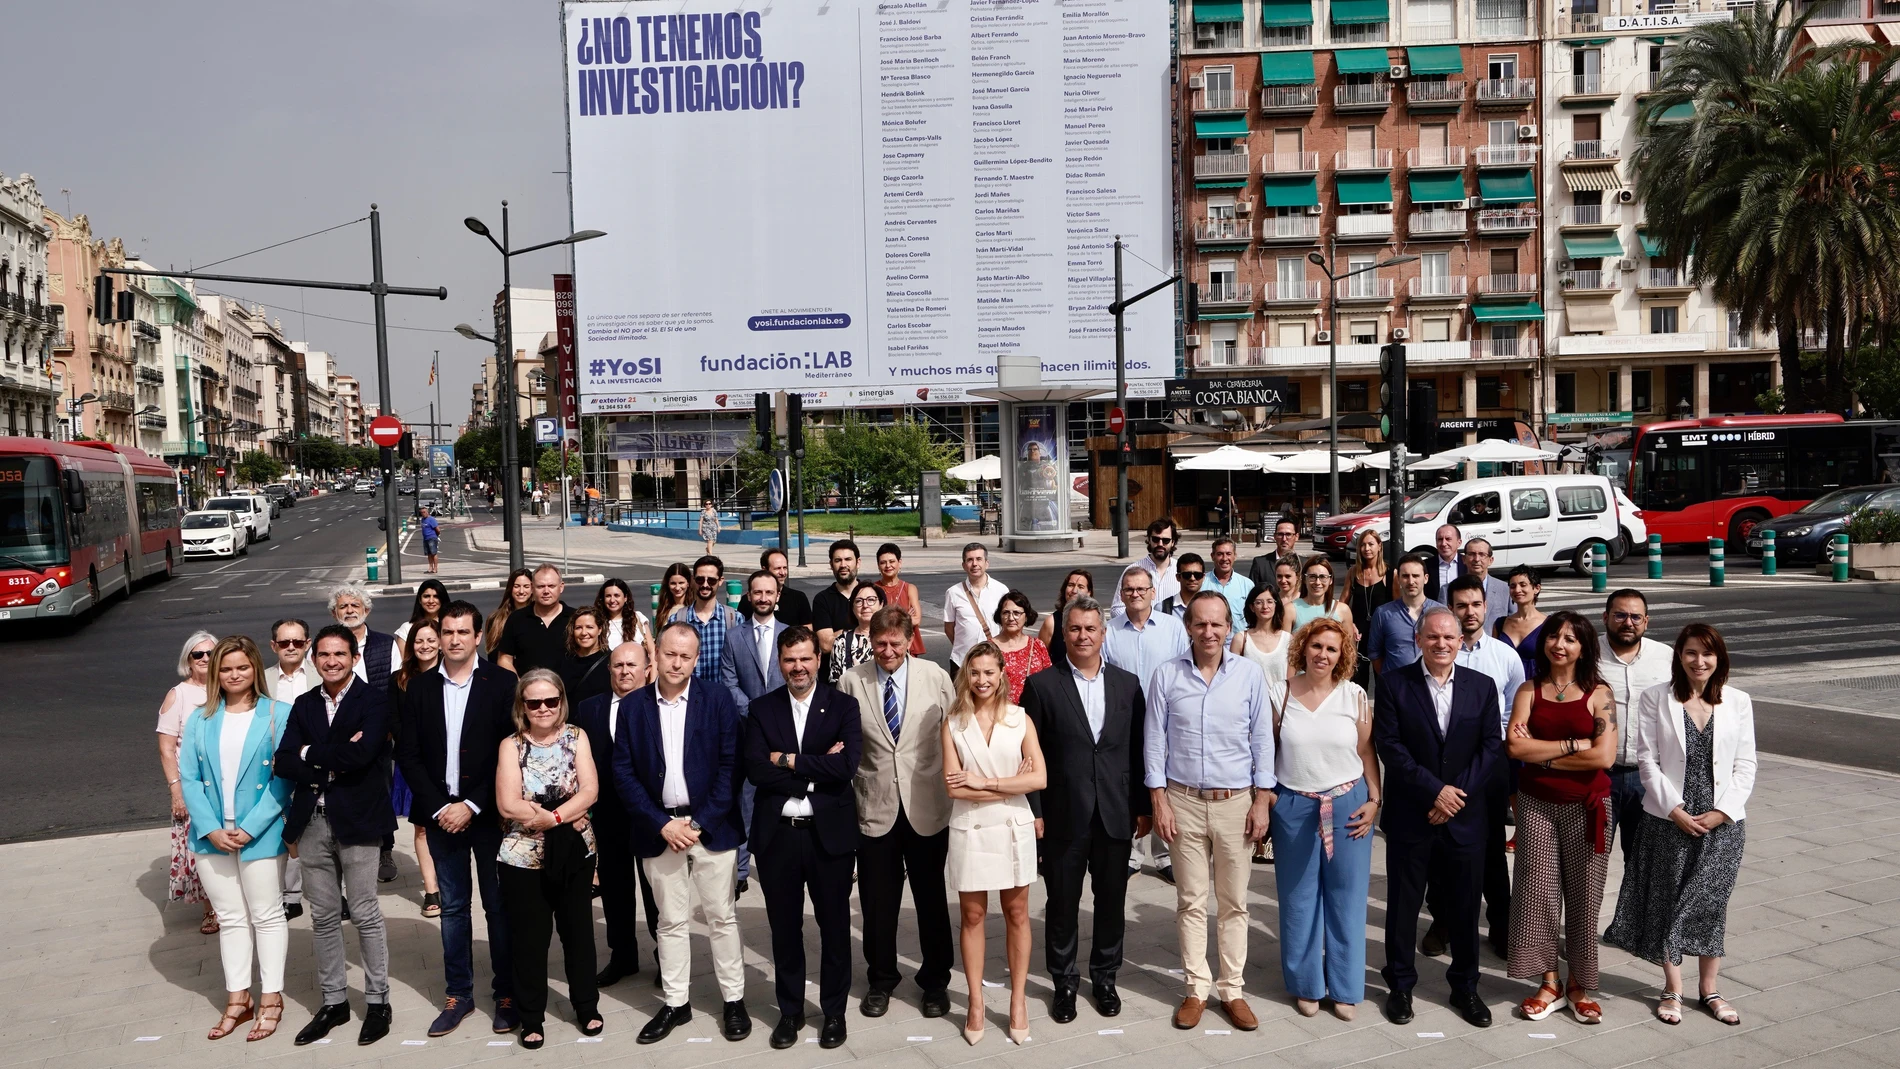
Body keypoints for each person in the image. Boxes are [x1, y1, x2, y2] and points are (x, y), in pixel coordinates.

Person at [1603, 624, 1755, 1027]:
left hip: (1723, 824)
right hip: (1670, 819)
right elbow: (1647, 760)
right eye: (1690, 653)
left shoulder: (1738, 701)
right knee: (1668, 902)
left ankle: (1711, 989)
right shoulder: (1658, 698)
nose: (1698, 661)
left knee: (1710, 904)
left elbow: (1746, 765)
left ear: (1719, 658)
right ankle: (1673, 988)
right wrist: (1674, 809)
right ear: (1679, 657)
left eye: (1707, 654)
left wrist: (1722, 812)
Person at [1144, 592, 1276, 1032]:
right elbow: (1155, 742)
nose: (1209, 632)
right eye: (1200, 624)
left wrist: (1262, 799)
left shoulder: (1249, 675)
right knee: (1190, 901)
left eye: (1217, 624)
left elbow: (1262, 740)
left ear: (1229, 627)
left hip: (1235, 803)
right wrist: (1159, 799)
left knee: (1235, 902)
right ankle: (1196, 988)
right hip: (1182, 802)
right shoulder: (1166, 676)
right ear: (1188, 627)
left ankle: (1232, 989)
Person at [615, 624, 750, 1045]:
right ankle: (676, 1003)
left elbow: (732, 766)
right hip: (661, 830)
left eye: (685, 657)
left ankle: (734, 1000)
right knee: (670, 922)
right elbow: (623, 772)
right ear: (657, 656)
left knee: (721, 918)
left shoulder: (717, 700)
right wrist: (662, 823)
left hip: (709, 828)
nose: (676, 663)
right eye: (669, 654)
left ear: (695, 659)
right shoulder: (634, 706)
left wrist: (698, 823)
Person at [395, 602, 522, 1037]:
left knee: (497, 906)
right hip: (440, 815)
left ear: (477, 636)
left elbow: (510, 753)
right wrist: (439, 808)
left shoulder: (503, 684)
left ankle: (506, 993)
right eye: (446, 632)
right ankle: (459, 994)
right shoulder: (421, 687)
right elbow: (408, 755)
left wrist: (471, 805)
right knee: (452, 907)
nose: (453, 640)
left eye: (462, 632)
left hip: (487, 816)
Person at [1372, 606, 1501, 1029]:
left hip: (1464, 817)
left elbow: (1490, 747)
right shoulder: (1393, 684)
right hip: (1413, 813)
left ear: (1460, 641)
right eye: (1433, 637)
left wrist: (1454, 797)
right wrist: (1435, 791)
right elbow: (1390, 746)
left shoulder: (1481, 687)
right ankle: (1401, 985)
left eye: (1449, 637)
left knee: (1465, 907)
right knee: (1404, 907)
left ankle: (1465, 985)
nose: (1441, 644)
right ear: (1419, 641)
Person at [1021, 596, 1147, 1024]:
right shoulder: (1041, 685)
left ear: (1103, 633)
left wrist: (1142, 807)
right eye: (1075, 628)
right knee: (1062, 903)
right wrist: (1035, 811)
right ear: (1064, 632)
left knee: (1111, 902)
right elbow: (1029, 753)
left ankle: (1106, 977)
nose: (1083, 636)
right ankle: (1064, 982)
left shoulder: (1128, 685)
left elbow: (1138, 750)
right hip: (1063, 815)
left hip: (1114, 813)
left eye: (1091, 629)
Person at [275, 624, 398, 1046]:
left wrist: (312, 751)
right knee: (324, 916)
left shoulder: (374, 700)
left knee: (364, 911)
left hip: (359, 819)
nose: (331, 661)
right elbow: (284, 761)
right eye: (324, 655)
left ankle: (379, 1001)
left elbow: (363, 756)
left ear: (354, 658)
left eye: (339, 655)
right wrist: (329, 755)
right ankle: (334, 1002)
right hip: (312, 820)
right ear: (314, 659)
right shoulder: (304, 703)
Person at [742, 627, 863, 1049]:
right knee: (785, 931)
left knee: (834, 928)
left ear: (818, 660)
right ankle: (790, 1012)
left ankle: (834, 1013)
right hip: (778, 837)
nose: (798, 667)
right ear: (780, 662)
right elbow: (757, 769)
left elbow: (846, 766)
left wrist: (788, 762)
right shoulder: (761, 708)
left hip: (829, 837)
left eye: (805, 658)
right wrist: (813, 771)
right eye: (790, 659)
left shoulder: (843, 705)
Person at [838, 607, 958, 1019]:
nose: (887, 650)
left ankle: (935, 981)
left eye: (895, 643)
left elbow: (955, 736)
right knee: (877, 901)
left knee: (931, 900)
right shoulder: (853, 680)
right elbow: (843, 745)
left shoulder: (937, 678)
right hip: (875, 807)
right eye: (880, 643)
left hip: (927, 806)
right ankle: (881, 979)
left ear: (910, 641)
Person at [179, 635, 295, 1042]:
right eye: (225, 668)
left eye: (242, 667)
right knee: (230, 919)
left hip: (260, 833)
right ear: (215, 673)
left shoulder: (277, 715)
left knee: (266, 915)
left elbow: (284, 778)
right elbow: (189, 779)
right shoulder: (199, 718)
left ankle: (272, 999)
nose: (233, 675)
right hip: (212, 834)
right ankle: (238, 998)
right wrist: (210, 827)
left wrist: (250, 827)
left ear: (255, 669)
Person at [1505, 610, 1618, 1025]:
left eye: (1571, 638)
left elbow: (1604, 756)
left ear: (1584, 645)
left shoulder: (1599, 692)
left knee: (1585, 898)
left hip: (1588, 807)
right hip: (1535, 804)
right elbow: (1515, 750)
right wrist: (1575, 744)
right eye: (1554, 636)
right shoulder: (1528, 690)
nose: (1560, 644)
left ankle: (1581, 985)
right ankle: (1549, 981)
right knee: (1537, 895)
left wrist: (1543, 751)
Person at [1273, 618, 1380, 1020]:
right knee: (1299, 899)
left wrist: (1375, 799)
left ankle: (1346, 987)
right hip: (1295, 805)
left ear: (1343, 655)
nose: (1322, 654)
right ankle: (1306, 985)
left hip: (1348, 804)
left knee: (1347, 898)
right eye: (1316, 646)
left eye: (1331, 649)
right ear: (1304, 648)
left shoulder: (1354, 696)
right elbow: (1267, 752)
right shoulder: (1280, 694)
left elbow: (1367, 753)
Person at [942, 641, 1048, 1045]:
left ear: (1002, 673)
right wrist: (1009, 786)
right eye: (974, 672)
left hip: (1011, 826)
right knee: (972, 916)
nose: (982, 680)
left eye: (989, 672)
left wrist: (984, 782)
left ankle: (1018, 1000)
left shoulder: (1019, 719)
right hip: (969, 827)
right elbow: (955, 790)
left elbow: (1038, 779)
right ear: (965, 675)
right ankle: (975, 1001)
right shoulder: (952, 724)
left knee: (1017, 913)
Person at [494, 670, 602, 1048]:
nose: (542, 709)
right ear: (522, 705)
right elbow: (507, 803)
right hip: (523, 856)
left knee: (578, 933)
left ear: (561, 702)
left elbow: (590, 789)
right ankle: (531, 1017)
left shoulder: (577, 737)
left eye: (550, 701)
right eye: (533, 702)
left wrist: (553, 816)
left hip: (574, 850)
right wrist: (562, 816)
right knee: (530, 940)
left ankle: (586, 1006)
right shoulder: (511, 745)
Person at [1422, 575, 1526, 959]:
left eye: (1475, 604)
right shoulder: (1436, 649)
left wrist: (1491, 751)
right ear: (1450, 608)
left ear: (1486, 607)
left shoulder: (1503, 656)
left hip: (1488, 763)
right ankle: (1443, 921)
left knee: (1490, 848)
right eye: (1461, 605)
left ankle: (1500, 924)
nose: (1469, 612)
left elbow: (1516, 710)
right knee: (1439, 845)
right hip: (1441, 765)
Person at [572, 640, 660, 989]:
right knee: (614, 888)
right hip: (607, 814)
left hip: (651, 815)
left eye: (632, 665)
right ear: (609, 669)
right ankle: (623, 956)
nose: (625, 671)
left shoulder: (659, 705)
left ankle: (665, 956)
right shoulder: (589, 708)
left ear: (646, 670)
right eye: (618, 665)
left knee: (656, 890)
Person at [1106, 567, 1187, 879]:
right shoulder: (1110, 630)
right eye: (1129, 589)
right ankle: (1132, 853)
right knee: (1130, 782)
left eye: (1141, 589)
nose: (1135, 594)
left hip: (1165, 717)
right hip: (1124, 719)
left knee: (1163, 781)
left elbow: (1183, 670)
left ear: (1153, 592)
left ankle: (1164, 854)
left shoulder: (1173, 628)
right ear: (1122, 594)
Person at [719, 569, 788, 891]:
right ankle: (742, 872)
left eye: (768, 593)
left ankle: (781, 862)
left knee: (782, 801)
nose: (763, 598)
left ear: (778, 596)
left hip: (786, 735)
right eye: (757, 593)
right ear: (749, 596)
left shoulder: (792, 635)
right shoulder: (734, 637)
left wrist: (775, 717)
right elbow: (729, 682)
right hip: (747, 734)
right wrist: (758, 714)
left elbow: (799, 681)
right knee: (745, 803)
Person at [1598, 589, 1673, 863]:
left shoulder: (1665, 657)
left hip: (1648, 778)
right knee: (1590, 863)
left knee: (1643, 867)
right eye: (1620, 615)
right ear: (1605, 617)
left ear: (1646, 621)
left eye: (1635, 617)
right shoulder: (1586, 654)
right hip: (1599, 777)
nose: (1628, 622)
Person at [160, 630, 222, 935]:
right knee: (203, 853)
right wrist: (176, 792)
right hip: (193, 787)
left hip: (227, 783)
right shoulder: (179, 695)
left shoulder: (228, 687)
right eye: (199, 654)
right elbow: (166, 748)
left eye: (211, 653)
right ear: (188, 660)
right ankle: (210, 909)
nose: (206, 659)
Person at [1232, 583, 1290, 865]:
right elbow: (1230, 680)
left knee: (1277, 777)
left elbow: (1292, 682)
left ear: (1277, 605)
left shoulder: (1289, 639)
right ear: (1251, 606)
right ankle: (1256, 839)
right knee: (1254, 779)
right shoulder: (1241, 639)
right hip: (1249, 718)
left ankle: (1275, 839)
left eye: (1270, 601)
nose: (1265, 606)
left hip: (1280, 716)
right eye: (1259, 601)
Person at [391, 621, 445, 918]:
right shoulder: (398, 680)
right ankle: (432, 889)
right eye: (418, 640)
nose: (424, 645)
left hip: (446, 761)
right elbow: (395, 722)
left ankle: (449, 879)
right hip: (413, 761)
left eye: (430, 639)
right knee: (422, 826)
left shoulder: (450, 676)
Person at [266, 620, 319, 919]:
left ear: (307, 643)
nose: (290, 648)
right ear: (274, 645)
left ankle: (331, 892)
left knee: (320, 830)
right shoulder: (262, 680)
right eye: (284, 643)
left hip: (314, 765)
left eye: (297, 642)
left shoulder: (320, 674)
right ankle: (291, 895)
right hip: (276, 768)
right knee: (286, 832)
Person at [670, 555, 741, 685]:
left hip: (723, 698)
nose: (705, 585)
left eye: (712, 581)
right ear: (693, 580)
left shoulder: (735, 619)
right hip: (688, 697)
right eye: (700, 580)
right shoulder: (677, 619)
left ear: (720, 581)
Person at [495, 564, 576, 677]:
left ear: (561, 587)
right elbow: (504, 659)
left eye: (551, 586)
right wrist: (519, 686)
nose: (546, 591)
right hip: (527, 692)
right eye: (541, 586)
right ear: (532, 588)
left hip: (568, 693)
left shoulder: (575, 618)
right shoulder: (517, 619)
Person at [1367, 556, 1443, 675]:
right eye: (1405, 576)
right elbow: (1375, 654)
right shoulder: (1383, 614)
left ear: (1426, 578)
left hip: (1433, 684)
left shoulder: (1441, 613)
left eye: (1416, 576)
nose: (1411, 581)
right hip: (1395, 688)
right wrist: (1389, 680)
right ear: (1398, 579)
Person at [943, 542, 1009, 673]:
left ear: (986, 563)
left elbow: (1006, 624)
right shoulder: (953, 592)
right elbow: (949, 627)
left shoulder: (1001, 590)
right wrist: (963, 645)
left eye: (979, 559)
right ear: (964, 565)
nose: (974, 564)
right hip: (961, 661)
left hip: (993, 660)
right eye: (970, 560)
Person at [329, 583, 399, 693]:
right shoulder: (322, 646)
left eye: (355, 605)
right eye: (343, 607)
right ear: (334, 613)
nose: (350, 611)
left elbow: (397, 686)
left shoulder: (387, 644)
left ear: (366, 610)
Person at [1345, 530, 1392, 686]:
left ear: (1379, 546)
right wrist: (1349, 624)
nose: (1367, 549)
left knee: (1383, 681)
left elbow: (1397, 606)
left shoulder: (1390, 573)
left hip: (1381, 634)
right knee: (1357, 682)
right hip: (1358, 635)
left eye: (1371, 544)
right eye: (1363, 545)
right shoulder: (1353, 573)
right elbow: (1342, 604)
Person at [811, 539, 862, 677]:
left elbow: (880, 635)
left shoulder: (872, 594)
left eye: (848, 559)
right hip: (833, 679)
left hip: (868, 677)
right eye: (838, 560)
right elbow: (826, 645)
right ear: (831, 565)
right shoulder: (822, 599)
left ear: (858, 562)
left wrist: (839, 634)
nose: (843, 565)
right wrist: (862, 632)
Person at [991, 590, 1052, 703]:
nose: (1011, 618)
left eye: (1016, 613)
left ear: (1026, 616)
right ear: (999, 616)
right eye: (1006, 613)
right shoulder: (988, 649)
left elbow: (1049, 682)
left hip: (1032, 714)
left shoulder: (1038, 646)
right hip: (999, 713)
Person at [1113, 518, 1181, 613]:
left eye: (1165, 540)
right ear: (1149, 539)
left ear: (1173, 542)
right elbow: (1117, 608)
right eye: (1156, 539)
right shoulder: (1132, 570)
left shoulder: (1183, 571)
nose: (1160, 544)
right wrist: (1140, 623)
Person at [872, 543, 924, 655]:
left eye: (891, 561)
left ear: (899, 563)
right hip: (882, 645)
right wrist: (906, 617)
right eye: (883, 562)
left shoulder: (909, 588)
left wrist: (885, 619)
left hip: (907, 647)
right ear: (878, 565)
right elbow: (871, 620)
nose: (888, 565)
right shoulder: (873, 589)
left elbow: (917, 620)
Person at [1495, 565, 1546, 678]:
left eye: (1523, 585)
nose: (1517, 590)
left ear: (1537, 588)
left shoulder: (1548, 624)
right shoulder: (1500, 624)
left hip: (1536, 686)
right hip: (1506, 686)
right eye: (1513, 586)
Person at [829, 581, 884, 684]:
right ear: (853, 608)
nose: (865, 605)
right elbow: (835, 683)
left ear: (881, 604)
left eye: (871, 600)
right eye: (859, 601)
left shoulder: (892, 639)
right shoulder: (842, 642)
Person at [594, 577, 656, 669]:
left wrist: (652, 680)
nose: (612, 600)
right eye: (608, 596)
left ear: (625, 598)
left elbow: (652, 652)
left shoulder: (638, 618)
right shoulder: (596, 622)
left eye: (616, 595)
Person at [1038, 568, 1095, 661]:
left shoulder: (1096, 619)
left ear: (1089, 592)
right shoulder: (1051, 622)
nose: (1074, 590)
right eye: (1071, 585)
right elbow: (1040, 659)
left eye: (1080, 587)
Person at [559, 607, 612, 705]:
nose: (583, 633)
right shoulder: (565, 660)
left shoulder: (611, 661)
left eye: (589, 627)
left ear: (599, 630)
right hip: (570, 719)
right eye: (578, 627)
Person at [1458, 538, 1511, 630]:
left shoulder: (1505, 589)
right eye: (1471, 554)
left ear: (1491, 560)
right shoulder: (1448, 589)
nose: (1476, 559)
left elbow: (1514, 621)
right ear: (1464, 559)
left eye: (1482, 554)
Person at [1293, 556, 1355, 632]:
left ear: (1330, 580)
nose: (1317, 582)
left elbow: (1349, 643)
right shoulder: (1291, 610)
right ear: (1304, 579)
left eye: (1322, 577)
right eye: (1312, 577)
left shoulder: (1343, 610)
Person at [1203, 538, 1254, 628]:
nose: (1224, 558)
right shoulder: (1202, 582)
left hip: (1240, 639)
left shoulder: (1247, 584)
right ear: (1212, 556)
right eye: (1220, 554)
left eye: (1228, 554)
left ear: (1235, 556)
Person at [759, 547, 813, 629]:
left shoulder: (799, 598)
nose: (782, 573)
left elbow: (808, 633)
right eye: (777, 568)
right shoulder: (751, 601)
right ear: (764, 569)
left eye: (785, 568)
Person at [485, 569, 534, 656]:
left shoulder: (539, 617)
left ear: (532, 589)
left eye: (526, 586)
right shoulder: (495, 619)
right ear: (510, 588)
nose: (521, 591)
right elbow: (492, 654)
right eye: (516, 586)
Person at [1248, 516, 1303, 589]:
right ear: (1275, 536)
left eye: (1288, 534)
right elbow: (1252, 594)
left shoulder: (1304, 564)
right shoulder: (1260, 564)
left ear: (1296, 537)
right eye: (1280, 534)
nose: (1284, 539)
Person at [393, 578, 448, 645]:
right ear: (419, 600)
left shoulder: (450, 627)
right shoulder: (407, 629)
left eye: (436, 597)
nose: (431, 601)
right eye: (426, 596)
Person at [1155, 553, 1205, 620]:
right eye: (1187, 575)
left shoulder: (1213, 607)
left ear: (1203, 577)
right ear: (1178, 577)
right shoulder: (1162, 608)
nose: (1192, 578)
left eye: (1197, 575)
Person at [1424, 523, 1464, 604]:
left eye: (1448, 539)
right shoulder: (1426, 566)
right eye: (1440, 539)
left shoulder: (1467, 564)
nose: (1443, 543)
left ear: (1459, 542)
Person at [653, 562, 694, 632]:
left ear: (688, 583)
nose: (677, 588)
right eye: (673, 583)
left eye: (681, 583)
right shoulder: (663, 609)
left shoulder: (696, 608)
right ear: (668, 584)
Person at [420, 505, 441, 574]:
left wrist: (435, 536)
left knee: (433, 553)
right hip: (425, 538)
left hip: (432, 538)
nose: (423, 513)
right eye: (422, 512)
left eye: (424, 512)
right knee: (429, 554)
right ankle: (430, 567)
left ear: (427, 512)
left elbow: (438, 530)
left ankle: (435, 568)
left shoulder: (431, 519)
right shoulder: (422, 520)